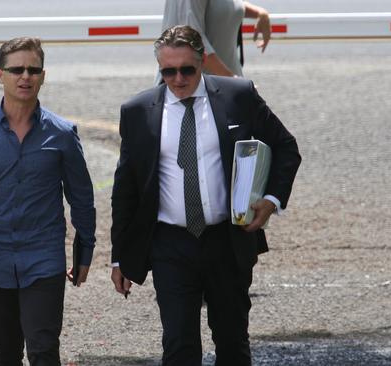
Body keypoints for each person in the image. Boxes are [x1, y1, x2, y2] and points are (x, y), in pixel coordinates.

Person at [111, 25, 301, 365]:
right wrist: (120, 256)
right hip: (170, 244)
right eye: (168, 71)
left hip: (226, 240)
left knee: (232, 343)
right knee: (179, 347)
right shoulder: (138, 111)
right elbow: (126, 188)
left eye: (187, 69)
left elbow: (286, 147)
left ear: (203, 64)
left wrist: (271, 202)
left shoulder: (238, 96)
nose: (178, 79)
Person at [0, 37, 96, 365]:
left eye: (33, 69)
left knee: (43, 350)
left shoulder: (63, 133)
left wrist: (84, 251)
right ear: (0, 75)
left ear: (43, 75)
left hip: (44, 259)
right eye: (16, 70)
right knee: (7, 353)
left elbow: (81, 197)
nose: (25, 76)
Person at [160, 0, 272, 78]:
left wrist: (260, 13)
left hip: (222, 87)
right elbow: (191, 41)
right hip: (192, 91)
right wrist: (233, 80)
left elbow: (225, 5)